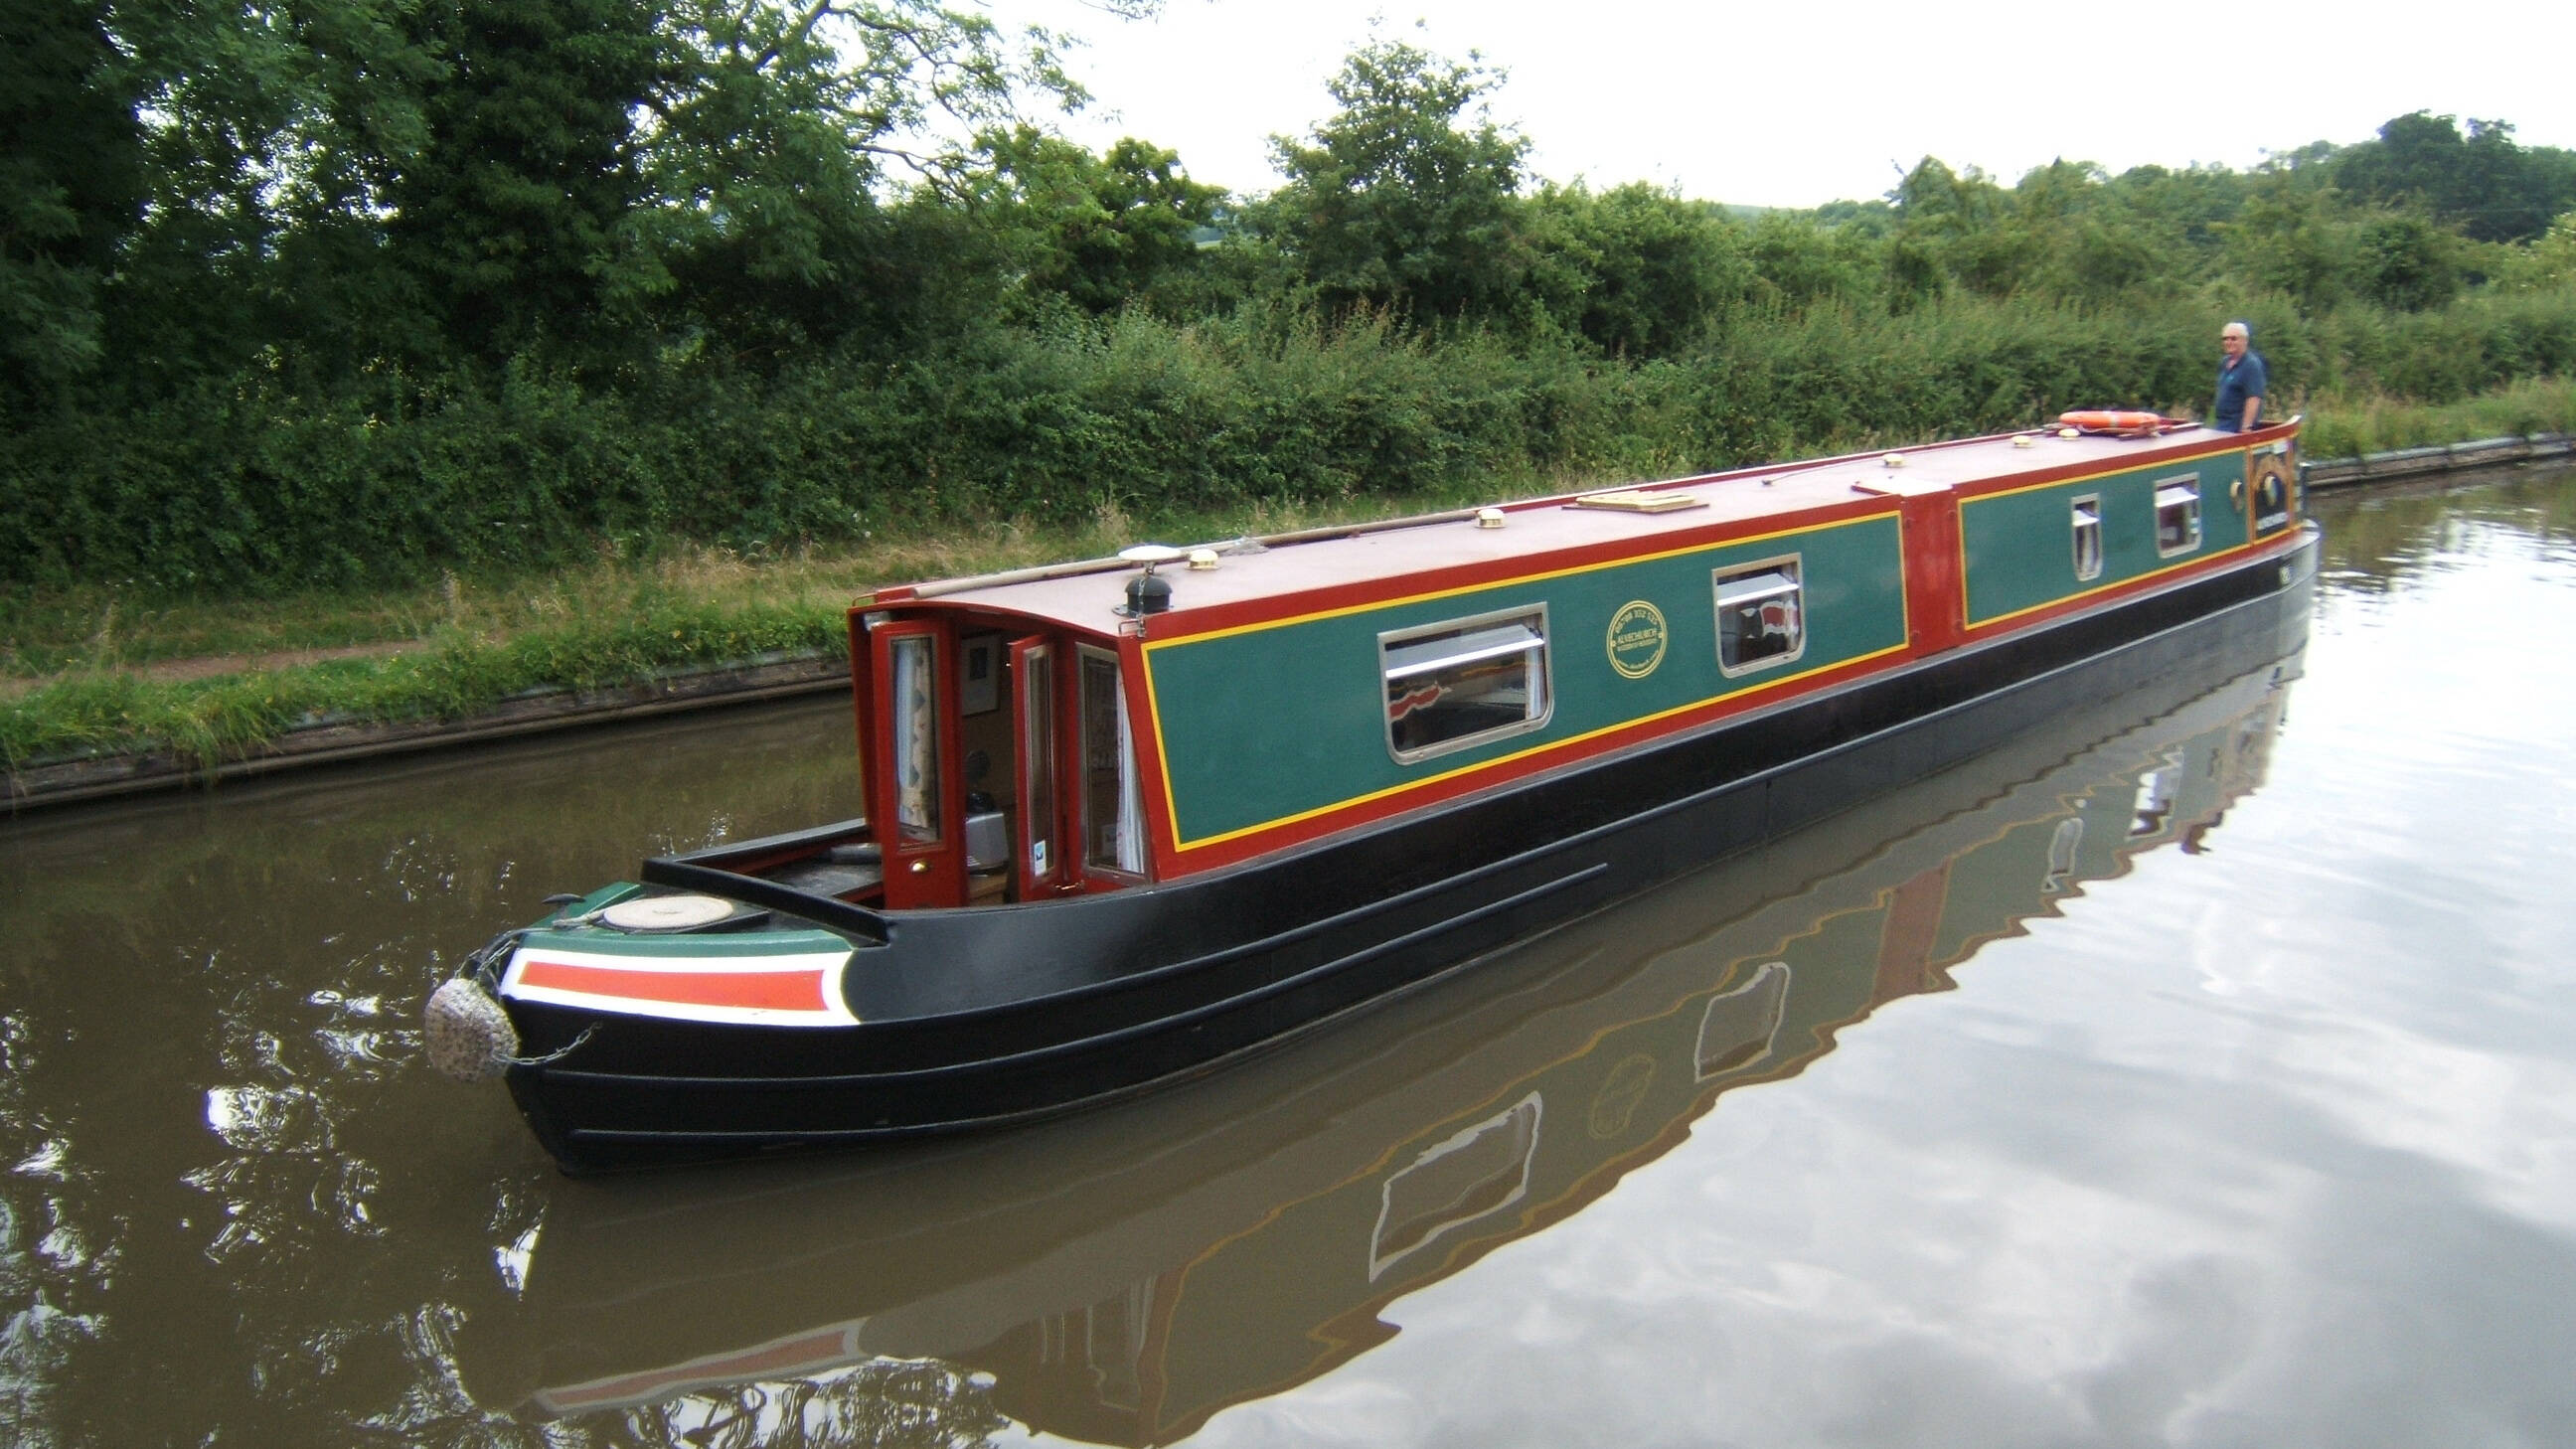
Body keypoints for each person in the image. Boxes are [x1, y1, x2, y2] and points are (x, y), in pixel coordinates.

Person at [2211, 320, 2267, 433]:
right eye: (2225, 339)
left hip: (2236, 428)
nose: (2228, 342)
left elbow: (2253, 398)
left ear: (2245, 340)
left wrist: (2246, 427)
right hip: (2222, 425)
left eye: (2233, 338)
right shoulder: (2224, 362)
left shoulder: (2251, 364)